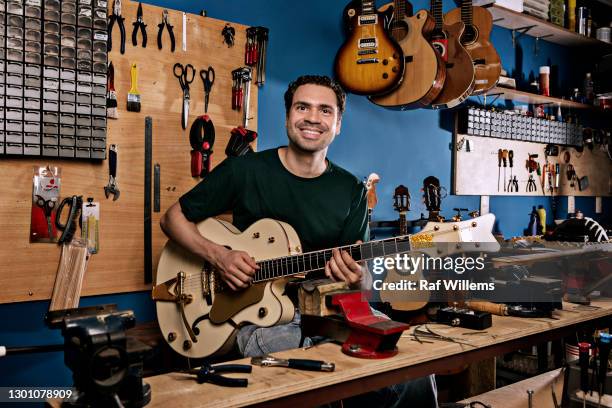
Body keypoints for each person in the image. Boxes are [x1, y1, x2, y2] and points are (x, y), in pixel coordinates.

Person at [160, 75, 438, 408]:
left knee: (415, 369)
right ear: (288, 115)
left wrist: (355, 277)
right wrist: (220, 256)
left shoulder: (352, 191)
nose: (312, 118)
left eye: (325, 111)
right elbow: (172, 218)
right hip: (256, 316)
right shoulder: (245, 171)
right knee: (315, 371)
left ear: (337, 125)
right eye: (302, 106)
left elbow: (360, 280)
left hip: (326, 313)